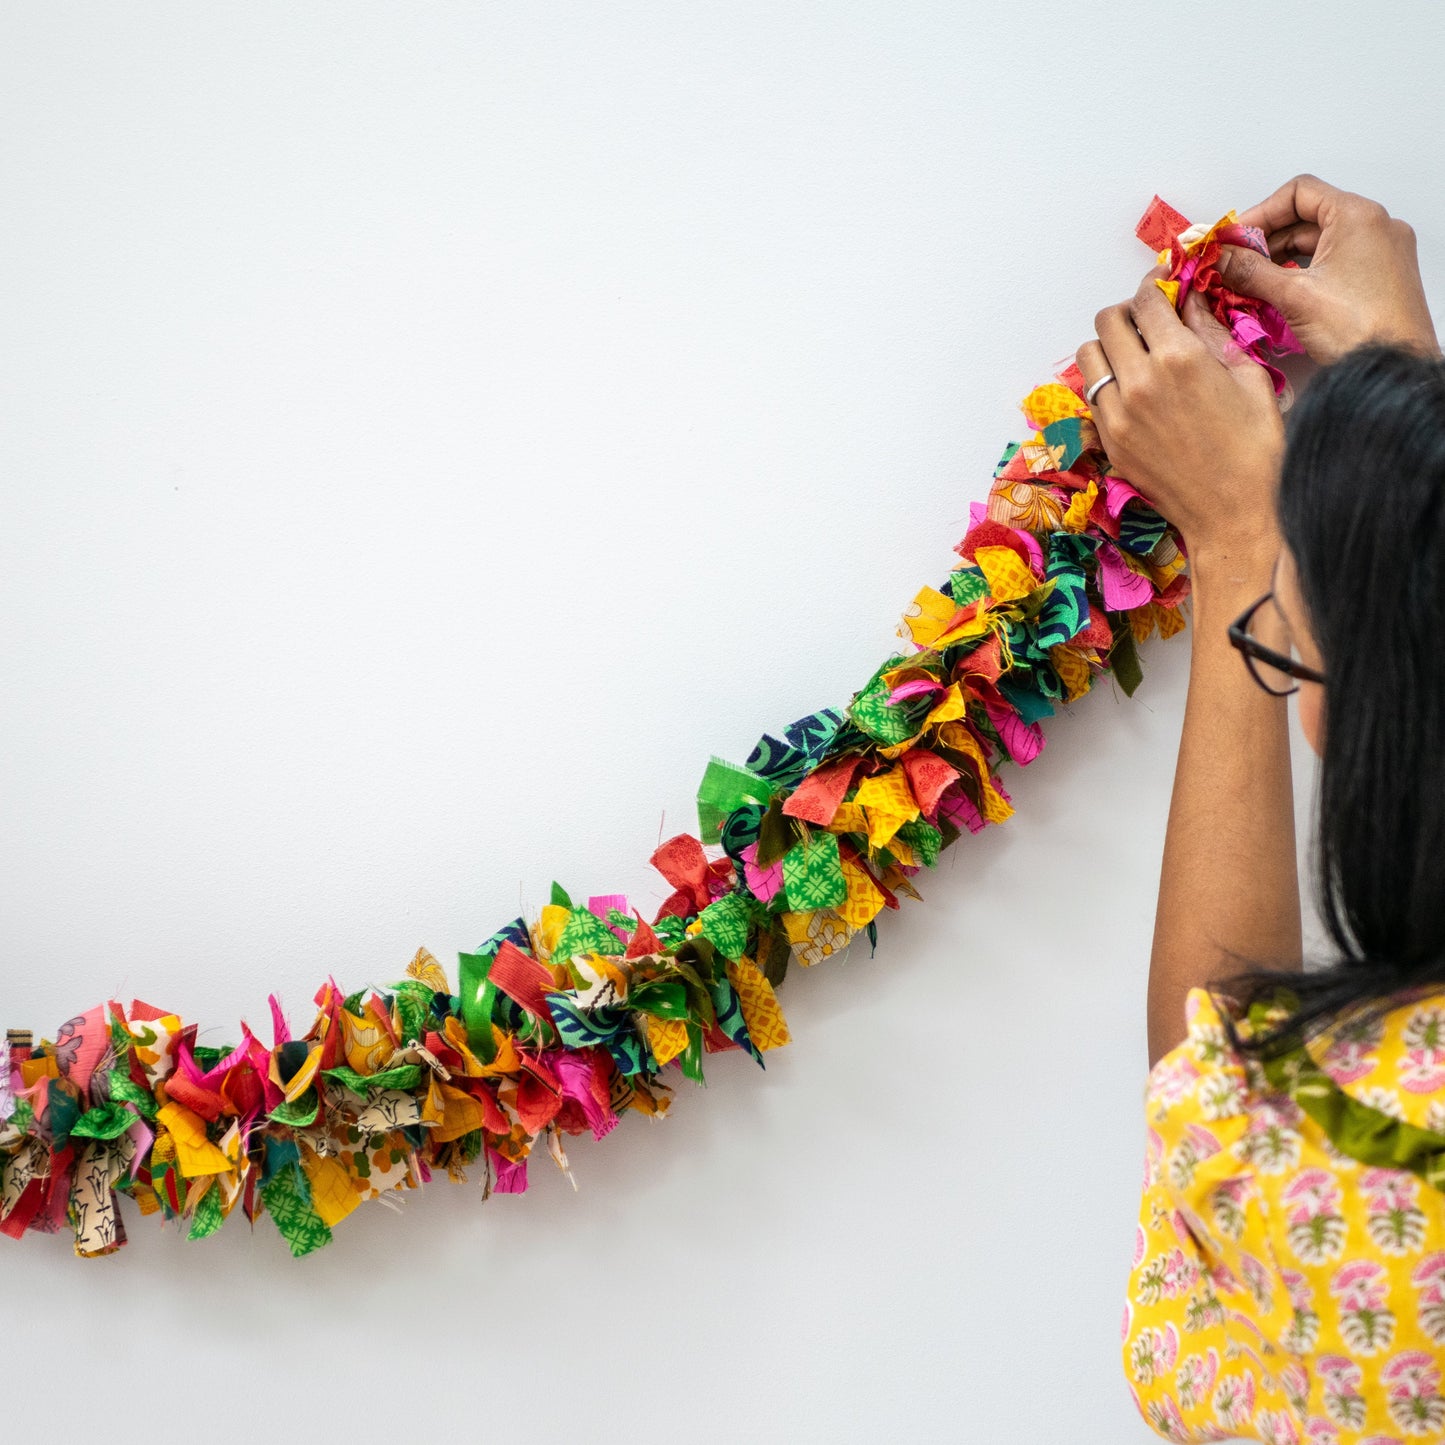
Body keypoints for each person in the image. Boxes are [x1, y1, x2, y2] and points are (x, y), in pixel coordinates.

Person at [1076, 175, 1445, 1443]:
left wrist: (1241, 536)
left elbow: (1213, 1074)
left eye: (1292, 647)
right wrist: (1398, 433)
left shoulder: (1358, 1151)